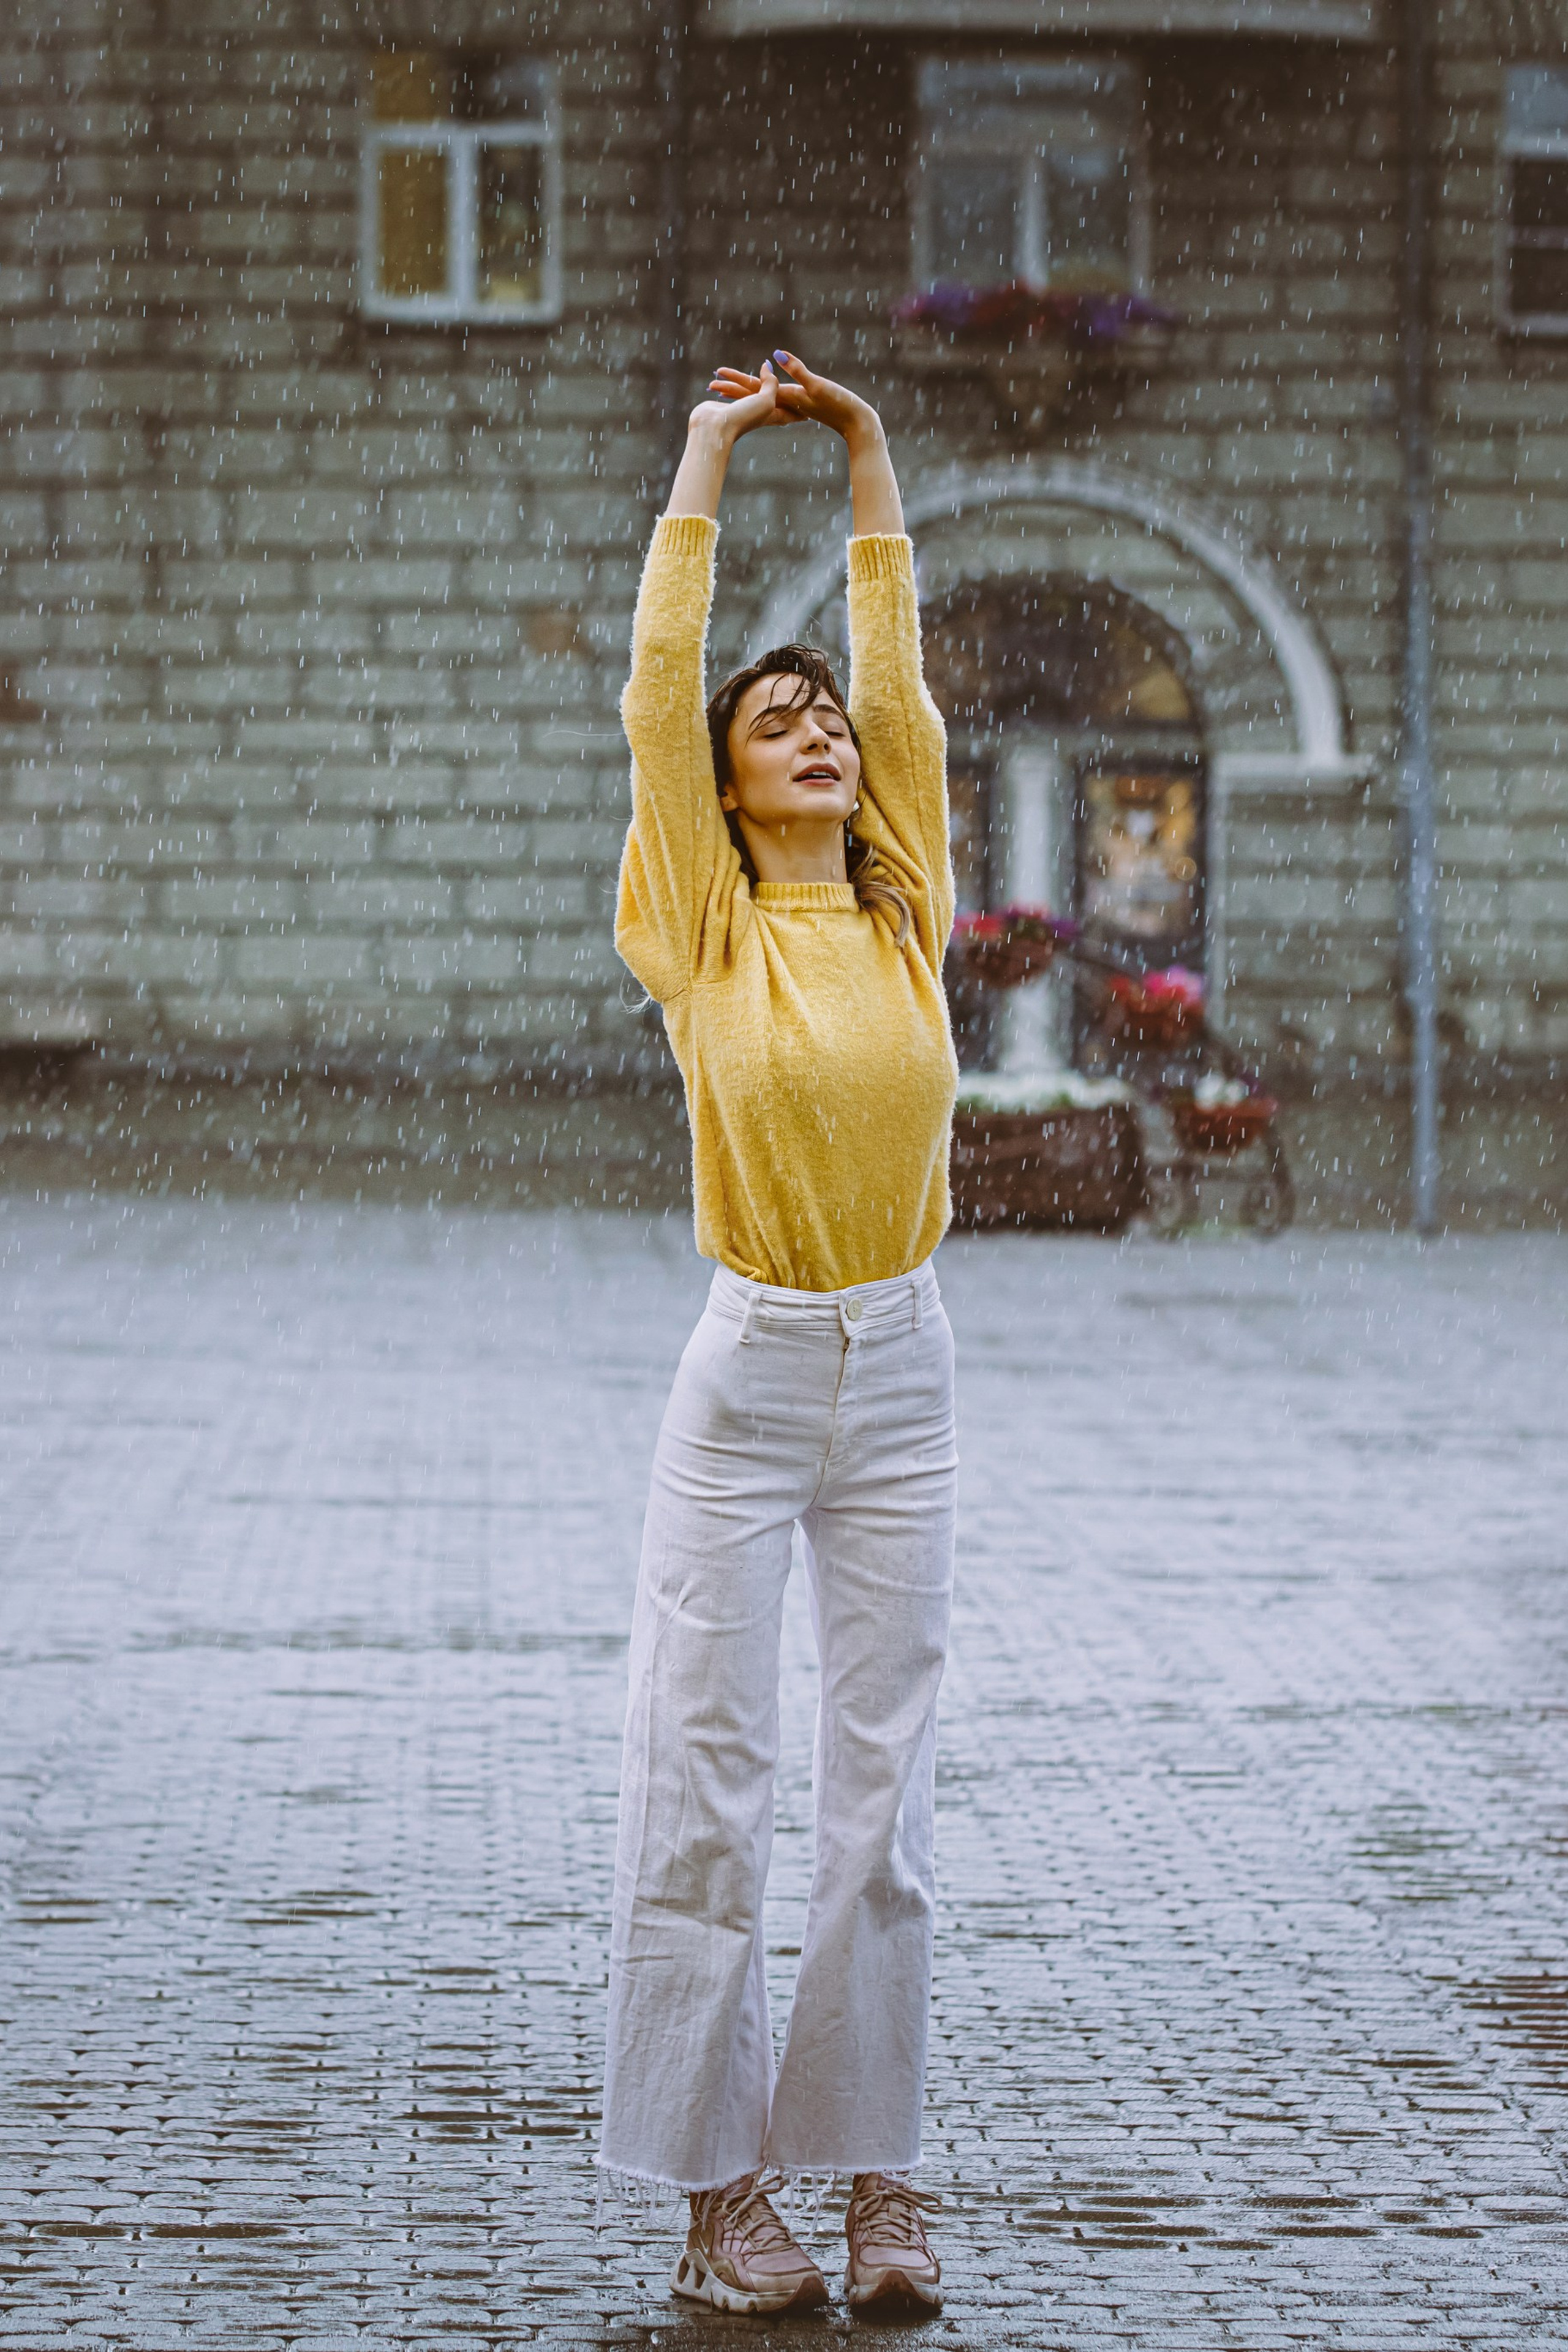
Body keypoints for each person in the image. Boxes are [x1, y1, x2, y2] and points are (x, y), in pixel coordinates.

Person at [599, 350, 959, 2316]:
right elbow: (661, 689)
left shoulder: (905, 910)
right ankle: (717, 2195)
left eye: (825, 715)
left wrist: (875, 452)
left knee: (883, 1792)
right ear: (728, 785)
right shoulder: (701, 925)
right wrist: (716, 455)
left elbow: (900, 687)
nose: (818, 728)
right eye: (781, 718)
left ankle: (879, 2181)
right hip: (747, 1382)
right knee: (704, 1775)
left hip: (907, 1375)